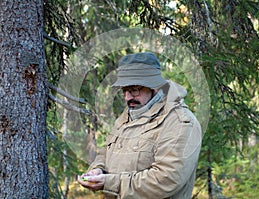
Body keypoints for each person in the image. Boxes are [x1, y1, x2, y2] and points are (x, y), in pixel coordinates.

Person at [78, 52, 202, 199]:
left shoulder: (180, 122)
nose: (127, 97)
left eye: (134, 89)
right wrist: (98, 170)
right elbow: (106, 152)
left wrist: (110, 183)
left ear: (154, 86)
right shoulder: (129, 115)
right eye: (124, 90)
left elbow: (166, 179)